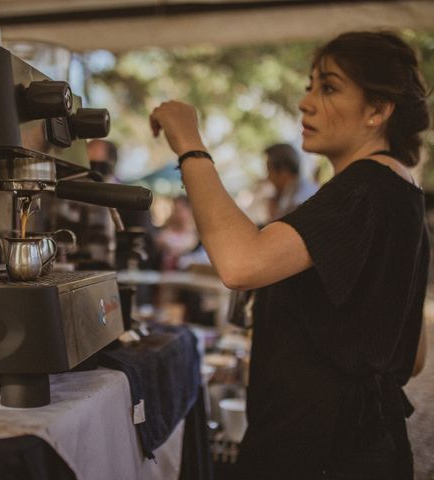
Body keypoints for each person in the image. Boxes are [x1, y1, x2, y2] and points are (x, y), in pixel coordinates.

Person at [149, 31, 430, 479]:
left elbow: (241, 263)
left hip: (319, 450)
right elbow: (411, 355)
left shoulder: (364, 187)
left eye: (330, 87)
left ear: (378, 110)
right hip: (365, 444)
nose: (306, 102)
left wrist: (189, 145)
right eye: (310, 86)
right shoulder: (402, 194)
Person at [264, 143, 318, 220]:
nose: (268, 177)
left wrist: (273, 217)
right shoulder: (292, 192)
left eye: (269, 171)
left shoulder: (297, 202)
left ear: (283, 171)